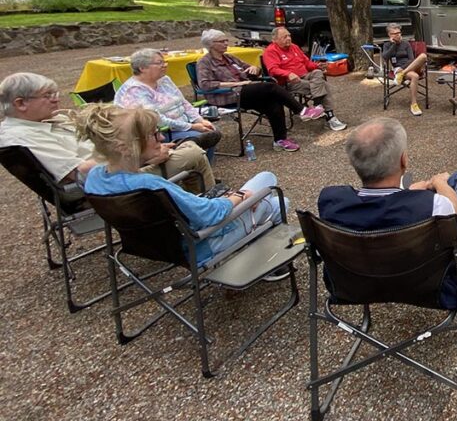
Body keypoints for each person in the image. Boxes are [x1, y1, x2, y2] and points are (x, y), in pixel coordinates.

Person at [77, 104, 289, 267]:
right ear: (126, 147)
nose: (160, 137)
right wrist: (240, 196)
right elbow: (210, 216)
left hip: (153, 245)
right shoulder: (149, 185)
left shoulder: (95, 178)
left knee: (265, 181)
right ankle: (267, 262)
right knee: (275, 194)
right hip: (202, 245)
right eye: (153, 134)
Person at [318, 117, 457, 307]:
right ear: (404, 159)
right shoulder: (433, 205)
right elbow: (454, 208)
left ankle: (403, 190)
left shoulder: (330, 200)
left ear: (354, 163)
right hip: (434, 289)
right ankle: (441, 182)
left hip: (352, 288)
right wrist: (438, 183)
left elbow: (379, 212)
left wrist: (407, 192)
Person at [0, 72, 214, 193]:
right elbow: (80, 172)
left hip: (117, 165)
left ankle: (191, 205)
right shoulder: (21, 137)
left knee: (185, 147)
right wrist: (141, 155)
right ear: (21, 103)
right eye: (48, 95)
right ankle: (205, 214)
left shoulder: (45, 121)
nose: (56, 99)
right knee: (193, 154)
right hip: (106, 184)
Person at [195, 29, 320, 153]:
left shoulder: (229, 58)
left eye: (226, 40)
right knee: (271, 87)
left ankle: (280, 140)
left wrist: (255, 69)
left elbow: (250, 69)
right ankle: (301, 110)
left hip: (245, 91)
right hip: (228, 95)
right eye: (222, 41)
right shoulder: (204, 62)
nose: (226, 43)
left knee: (273, 101)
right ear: (211, 44)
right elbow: (205, 85)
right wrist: (236, 83)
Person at [114, 48, 222, 162]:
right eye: (159, 63)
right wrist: (192, 126)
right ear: (142, 68)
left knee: (211, 130)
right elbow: (157, 120)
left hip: (182, 125)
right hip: (160, 133)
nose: (165, 65)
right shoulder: (134, 90)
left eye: (164, 62)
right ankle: (193, 172)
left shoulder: (164, 80)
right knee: (205, 135)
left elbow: (183, 102)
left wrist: (199, 120)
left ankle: (202, 172)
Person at [263, 27, 347, 132]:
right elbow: (273, 70)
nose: (289, 38)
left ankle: (317, 104)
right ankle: (330, 116)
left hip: (305, 75)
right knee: (323, 85)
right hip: (289, 82)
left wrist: (318, 66)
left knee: (317, 72)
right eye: (284, 37)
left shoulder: (294, 47)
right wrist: (288, 74)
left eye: (289, 35)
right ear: (275, 40)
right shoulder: (271, 51)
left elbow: (307, 63)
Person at [380, 22, 428, 117]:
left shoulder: (406, 44)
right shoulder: (387, 45)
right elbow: (385, 57)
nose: (398, 35)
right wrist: (393, 45)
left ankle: (401, 75)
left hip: (410, 66)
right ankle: (414, 105)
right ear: (390, 35)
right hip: (398, 69)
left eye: (399, 32)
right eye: (395, 33)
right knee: (415, 76)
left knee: (423, 56)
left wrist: (403, 70)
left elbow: (411, 59)